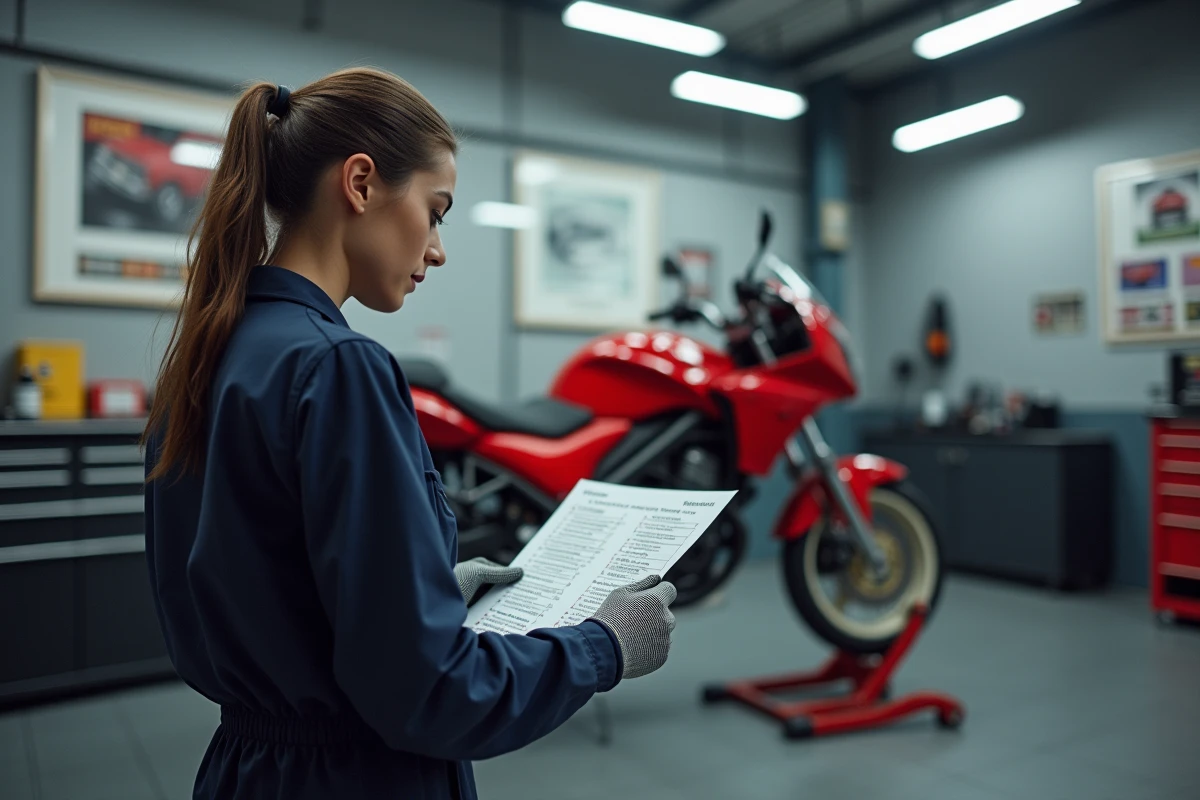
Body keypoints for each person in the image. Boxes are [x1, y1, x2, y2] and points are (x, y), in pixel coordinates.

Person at [143, 68, 678, 800]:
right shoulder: (338, 367)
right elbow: (430, 696)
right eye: (436, 210)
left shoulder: (212, 350)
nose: (437, 248)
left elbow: (262, 584)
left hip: (246, 772)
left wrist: (420, 596)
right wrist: (604, 644)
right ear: (360, 184)